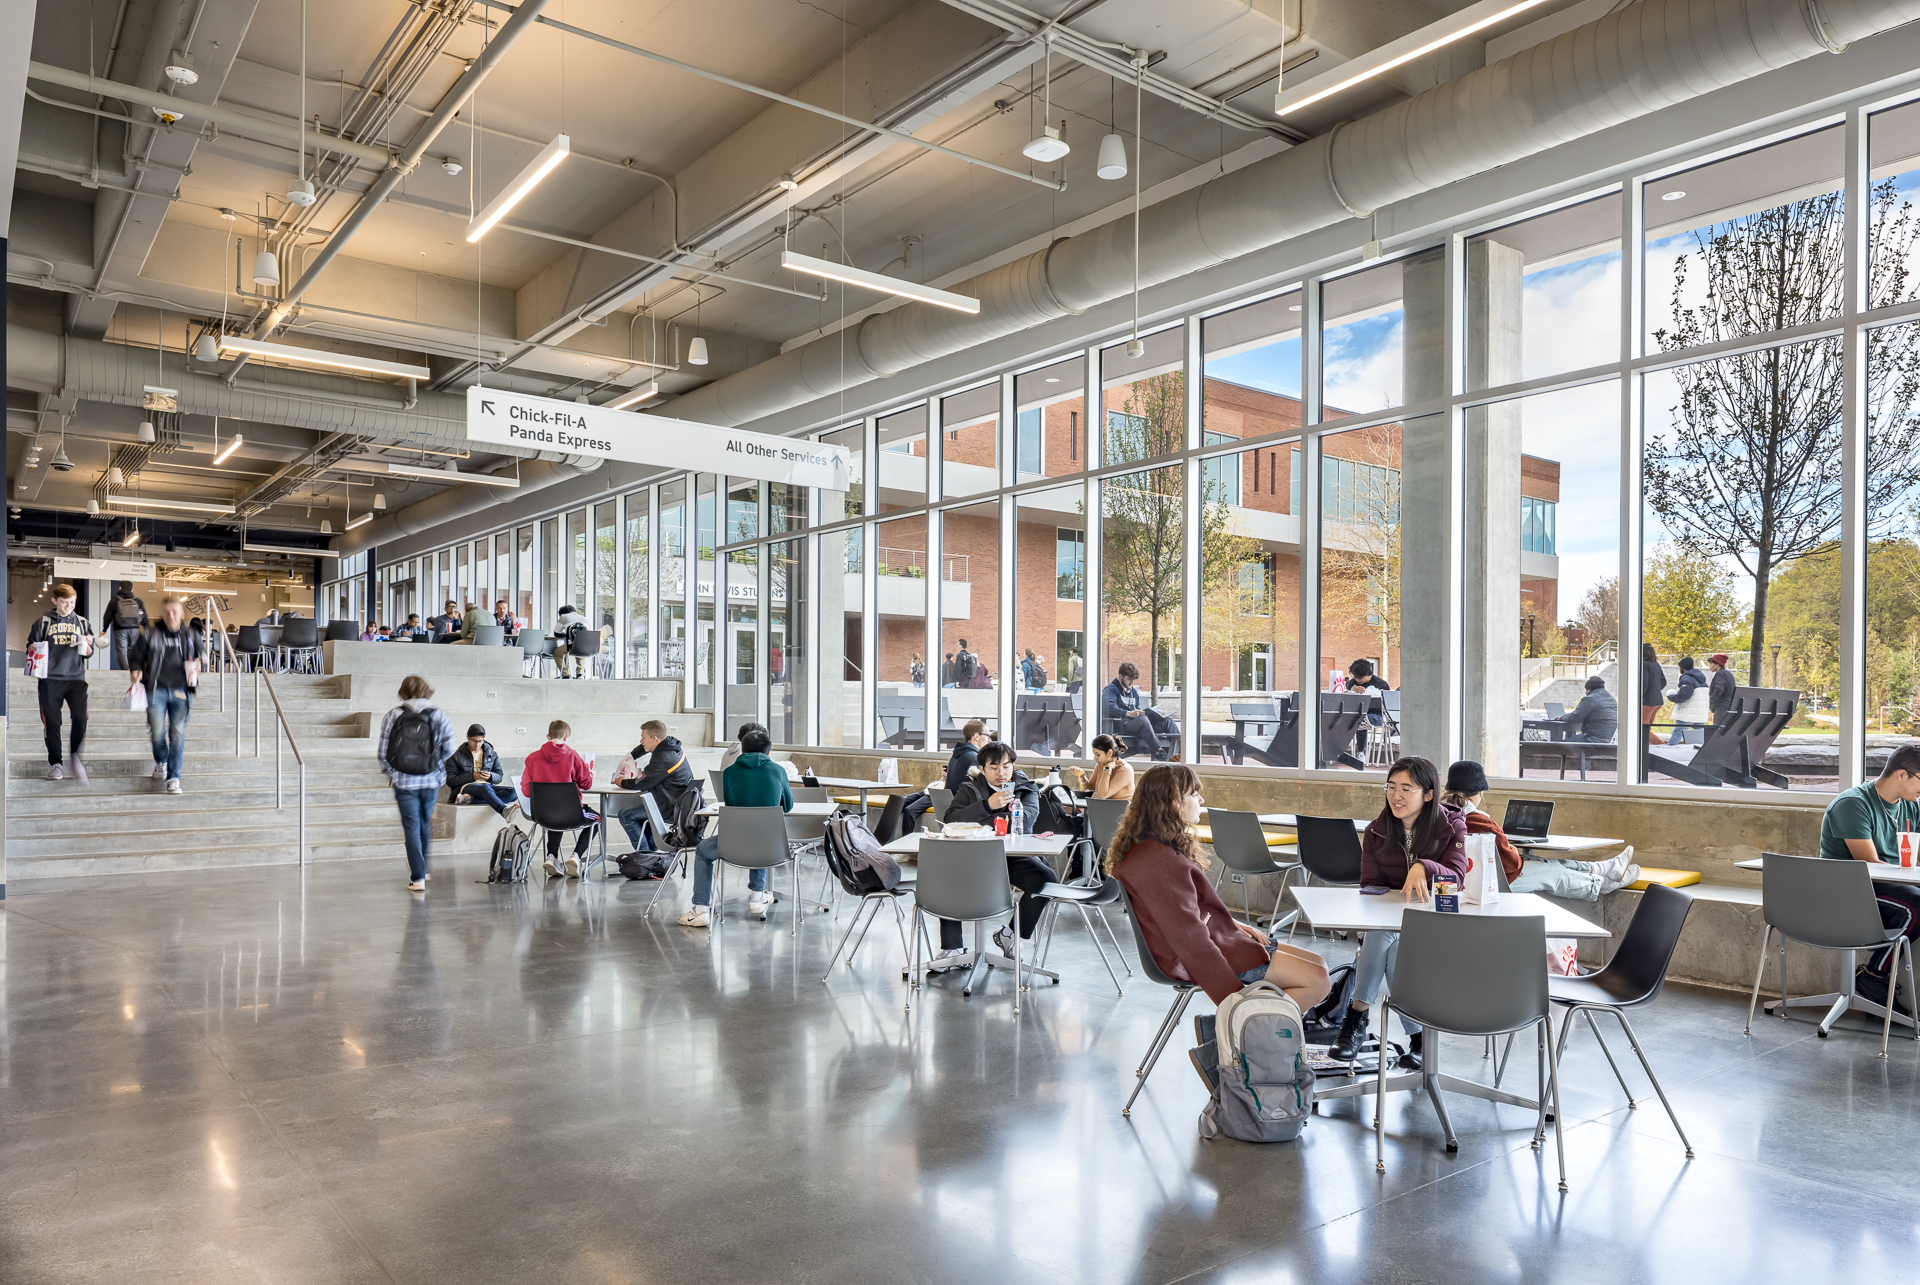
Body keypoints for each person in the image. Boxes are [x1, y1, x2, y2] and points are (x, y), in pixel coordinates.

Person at [1107, 763, 1330, 1010]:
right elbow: (1190, 940)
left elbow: (1183, 916)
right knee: (1318, 981)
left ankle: (1266, 1033)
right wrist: (1233, 1003)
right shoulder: (1163, 864)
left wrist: (1233, 924)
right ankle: (1243, 1032)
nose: (1201, 799)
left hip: (1219, 939)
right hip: (1212, 953)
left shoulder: (1146, 848)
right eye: (1193, 794)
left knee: (1319, 963)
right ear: (1174, 803)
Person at [1329, 756, 1470, 1070]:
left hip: (1437, 922)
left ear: (1429, 794)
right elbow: (1370, 887)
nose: (1396, 796)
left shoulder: (1452, 826)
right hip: (1390, 925)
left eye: (1407, 788)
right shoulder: (1377, 831)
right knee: (1389, 945)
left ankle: (1355, 1021)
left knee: (1386, 941)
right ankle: (1418, 1039)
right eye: (1391, 787)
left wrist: (1423, 866)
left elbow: (1456, 878)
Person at [1440, 761, 1639, 901]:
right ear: (1479, 793)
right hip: (1493, 883)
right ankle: (1601, 884)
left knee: (1545, 863)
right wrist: (1511, 847)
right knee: (1555, 873)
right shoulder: (1478, 820)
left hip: (1466, 880)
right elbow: (1512, 864)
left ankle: (1602, 869)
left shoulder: (1439, 815)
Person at [1818, 743, 1920, 1014]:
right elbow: (1870, 867)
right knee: (1918, 908)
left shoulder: (1912, 806)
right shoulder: (1854, 804)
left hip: (1887, 888)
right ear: (1901, 774)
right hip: (1848, 892)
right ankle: (1872, 977)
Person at [935, 742, 1051, 961]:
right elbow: (950, 819)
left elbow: (1024, 823)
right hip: (972, 857)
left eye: (1007, 767)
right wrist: (987, 805)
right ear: (982, 768)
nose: (1002, 773)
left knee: (1045, 878)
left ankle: (1011, 935)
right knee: (946, 873)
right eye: (994, 767)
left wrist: (980, 821)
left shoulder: (1026, 788)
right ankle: (953, 948)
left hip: (1012, 857)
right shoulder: (969, 788)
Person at [678, 725, 791, 926]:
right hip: (771, 846)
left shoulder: (730, 773)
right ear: (769, 751)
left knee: (703, 850)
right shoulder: (778, 771)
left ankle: (701, 910)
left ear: (742, 750)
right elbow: (787, 806)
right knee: (762, 834)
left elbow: (730, 806)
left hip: (734, 846)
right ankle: (757, 896)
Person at [376, 676, 457, 892]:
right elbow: (450, 749)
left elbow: (383, 752)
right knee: (424, 822)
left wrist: (391, 774)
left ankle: (417, 877)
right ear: (427, 690)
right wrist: (435, 765)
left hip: (404, 781)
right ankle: (424, 869)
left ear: (402, 691)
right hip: (431, 780)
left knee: (411, 826)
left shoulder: (393, 715)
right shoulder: (439, 715)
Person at [129, 596, 201, 795]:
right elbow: (135, 656)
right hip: (156, 689)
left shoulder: (191, 634)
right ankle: (161, 760)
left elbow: (201, 654)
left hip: (182, 691)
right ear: (162, 614)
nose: (171, 616)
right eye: (167, 612)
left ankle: (173, 777)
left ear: (182, 614)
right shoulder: (150, 634)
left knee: (177, 734)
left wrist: (199, 661)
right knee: (157, 733)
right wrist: (135, 669)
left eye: (175, 612)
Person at [28, 583, 95, 781]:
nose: (68, 606)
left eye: (72, 602)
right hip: (50, 679)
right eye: (64, 602)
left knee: (81, 718)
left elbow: (89, 654)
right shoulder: (43, 622)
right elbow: (30, 647)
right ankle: (56, 763)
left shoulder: (83, 623)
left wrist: (88, 647)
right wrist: (31, 648)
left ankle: (75, 756)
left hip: (76, 678)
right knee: (53, 722)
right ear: (55, 601)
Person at [521, 720, 600, 878]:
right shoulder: (572, 756)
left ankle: (551, 857)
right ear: (566, 737)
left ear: (548, 736)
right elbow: (587, 784)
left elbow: (526, 791)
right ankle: (576, 857)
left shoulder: (532, 758)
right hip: (571, 814)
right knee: (597, 819)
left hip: (542, 815)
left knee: (554, 811)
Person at [612, 719, 697, 853]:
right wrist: (631, 756)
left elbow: (641, 783)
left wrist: (621, 782)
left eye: (643, 737)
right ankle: (652, 855)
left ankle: (644, 856)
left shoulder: (663, 758)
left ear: (655, 738)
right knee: (641, 813)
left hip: (670, 807)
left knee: (626, 814)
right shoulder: (671, 746)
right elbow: (644, 748)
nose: (641, 741)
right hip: (677, 802)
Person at [900, 719, 988, 834]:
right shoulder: (973, 757)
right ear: (976, 736)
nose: (988, 739)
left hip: (947, 800)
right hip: (959, 806)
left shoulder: (957, 754)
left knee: (906, 804)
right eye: (987, 735)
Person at [1101, 661, 1180, 761]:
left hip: (1140, 726)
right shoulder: (1111, 689)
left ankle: (1181, 752)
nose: (1132, 683)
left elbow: (1137, 708)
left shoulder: (1133, 691)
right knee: (1142, 719)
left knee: (1167, 721)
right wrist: (1129, 713)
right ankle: (1158, 751)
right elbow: (1107, 707)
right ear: (1120, 676)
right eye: (1129, 679)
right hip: (1123, 726)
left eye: (1133, 680)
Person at [445, 724, 518, 817]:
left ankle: (471, 800)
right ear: (467, 738)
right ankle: (503, 810)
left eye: (480, 741)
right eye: (474, 741)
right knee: (485, 788)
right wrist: (472, 776)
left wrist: (491, 776)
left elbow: (499, 776)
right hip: (465, 787)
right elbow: (450, 781)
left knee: (513, 792)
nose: (477, 744)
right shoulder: (455, 756)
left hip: (487, 787)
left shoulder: (492, 754)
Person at [1336, 658, 1393, 770]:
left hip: (1377, 715)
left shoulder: (1380, 684)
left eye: (1359, 677)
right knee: (1343, 718)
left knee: (1358, 717)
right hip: (1357, 714)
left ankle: (1360, 752)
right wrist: (1351, 692)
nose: (1357, 680)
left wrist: (1366, 694)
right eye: (1355, 677)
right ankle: (1339, 749)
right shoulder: (1352, 683)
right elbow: (1348, 702)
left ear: (1368, 674)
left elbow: (1386, 706)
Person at [1554, 675, 1618, 743]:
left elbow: (1575, 717)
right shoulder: (1612, 699)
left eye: (1586, 690)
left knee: (1559, 746)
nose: (1585, 693)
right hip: (1608, 740)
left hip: (1592, 739)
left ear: (1588, 690)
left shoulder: (1590, 698)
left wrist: (1562, 717)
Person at [105, 581, 149, 670]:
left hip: (119, 629)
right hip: (134, 629)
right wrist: (146, 628)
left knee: (122, 651)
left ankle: (125, 671)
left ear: (120, 588)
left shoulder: (115, 600)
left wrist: (104, 629)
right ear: (132, 589)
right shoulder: (137, 600)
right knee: (133, 650)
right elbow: (144, 616)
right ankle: (133, 669)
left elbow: (108, 615)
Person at [1085, 734, 1135, 800]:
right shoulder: (1100, 765)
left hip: (1121, 809)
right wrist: (1082, 776)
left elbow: (1102, 796)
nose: (1094, 758)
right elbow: (1090, 788)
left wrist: (1107, 769)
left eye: (1098, 755)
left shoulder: (1125, 770)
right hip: (1103, 808)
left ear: (1109, 753)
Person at [1641, 642, 1667, 750]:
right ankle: (1646, 749)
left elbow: (1644, 683)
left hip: (1647, 702)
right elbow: (1663, 681)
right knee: (1647, 728)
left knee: (1642, 729)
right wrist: (1655, 690)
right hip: (1657, 701)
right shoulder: (1656, 665)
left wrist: (1639, 696)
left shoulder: (1643, 665)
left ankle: (1662, 747)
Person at [553, 604, 588, 678]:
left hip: (571, 645)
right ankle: (580, 674)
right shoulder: (585, 618)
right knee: (581, 650)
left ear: (562, 613)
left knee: (557, 653)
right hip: (587, 648)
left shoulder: (563, 617)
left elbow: (557, 633)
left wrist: (567, 634)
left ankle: (566, 674)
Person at [1707, 652, 1737, 723]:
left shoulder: (1720, 674)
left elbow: (1719, 688)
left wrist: (1712, 700)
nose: (1709, 666)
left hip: (1721, 707)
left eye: (1711, 663)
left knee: (1717, 729)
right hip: (1730, 706)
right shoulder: (1728, 674)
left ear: (1717, 664)